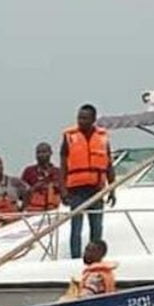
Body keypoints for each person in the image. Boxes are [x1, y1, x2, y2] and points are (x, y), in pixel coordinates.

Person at [61, 104, 115, 258]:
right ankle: (76, 257)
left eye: (84, 118)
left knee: (97, 227)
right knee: (76, 227)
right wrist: (63, 190)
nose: (80, 121)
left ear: (93, 120)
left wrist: (112, 189)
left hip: (97, 189)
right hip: (76, 190)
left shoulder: (103, 137)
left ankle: (96, 258)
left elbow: (108, 164)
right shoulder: (69, 136)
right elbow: (63, 164)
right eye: (79, 117)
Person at [0, 154, 29, 231]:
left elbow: (29, 191)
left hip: (13, 224)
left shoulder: (14, 182)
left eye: (0, 163)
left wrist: (22, 210)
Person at [21, 142, 63, 212]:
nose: (40, 155)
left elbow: (66, 192)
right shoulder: (29, 171)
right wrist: (35, 187)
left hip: (56, 210)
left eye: (44, 152)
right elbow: (22, 194)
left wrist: (56, 187)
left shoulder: (58, 172)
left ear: (50, 153)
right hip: (34, 211)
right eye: (38, 152)